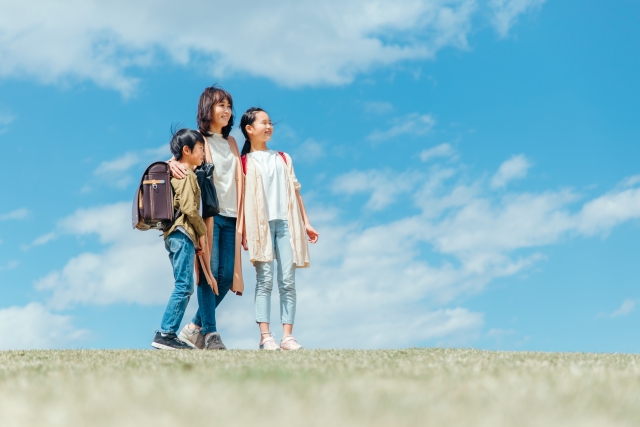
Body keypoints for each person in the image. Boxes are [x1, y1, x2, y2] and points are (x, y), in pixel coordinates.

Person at [168, 86, 245, 350]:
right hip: (210, 216)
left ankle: (193, 328)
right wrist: (170, 163)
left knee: (225, 278)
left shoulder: (232, 143)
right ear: (207, 108)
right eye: (220, 105)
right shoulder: (198, 138)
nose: (226, 110)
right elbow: (180, 157)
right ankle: (211, 334)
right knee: (207, 273)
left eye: (229, 106)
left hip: (233, 216)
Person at [240, 107, 319, 351]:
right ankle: (266, 337)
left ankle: (287, 337)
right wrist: (242, 231)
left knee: (287, 280)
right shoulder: (243, 162)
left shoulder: (283, 158)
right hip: (260, 225)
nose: (269, 126)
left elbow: (296, 193)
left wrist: (306, 223)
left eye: (270, 122)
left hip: (286, 223)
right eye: (263, 123)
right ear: (249, 129)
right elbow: (241, 200)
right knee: (264, 280)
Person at [152, 129, 207, 350]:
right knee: (184, 285)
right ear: (187, 150)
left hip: (174, 234)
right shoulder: (187, 174)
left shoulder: (175, 172)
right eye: (201, 148)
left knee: (183, 284)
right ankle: (166, 334)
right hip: (183, 232)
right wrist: (202, 232)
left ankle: (167, 333)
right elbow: (189, 210)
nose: (204, 153)